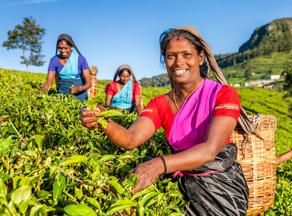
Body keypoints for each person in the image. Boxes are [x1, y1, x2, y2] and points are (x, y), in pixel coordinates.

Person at [80, 26, 254, 216]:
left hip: (221, 188)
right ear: (164, 61)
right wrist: (103, 121)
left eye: (187, 54)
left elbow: (210, 150)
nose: (179, 62)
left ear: (200, 57)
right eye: (171, 56)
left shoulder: (222, 94)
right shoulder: (160, 103)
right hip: (182, 183)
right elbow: (131, 139)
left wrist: (158, 165)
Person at [41, 33, 91, 101]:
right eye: (60, 48)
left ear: (71, 46)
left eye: (66, 48)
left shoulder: (80, 59)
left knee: (83, 111)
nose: (63, 51)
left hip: (80, 97)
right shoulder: (54, 60)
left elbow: (89, 83)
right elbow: (49, 82)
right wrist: (40, 95)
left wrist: (79, 88)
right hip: (62, 97)